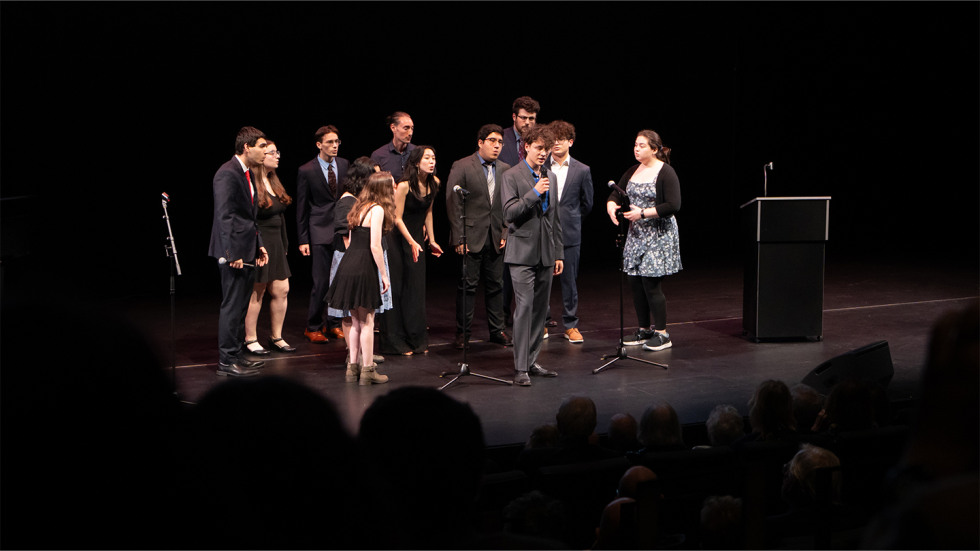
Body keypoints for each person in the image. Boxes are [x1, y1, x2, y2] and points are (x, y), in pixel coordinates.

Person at [606, 129, 682, 351]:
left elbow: (673, 205)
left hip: (658, 233)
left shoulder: (665, 172)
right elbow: (617, 193)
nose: (636, 149)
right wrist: (611, 204)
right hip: (636, 234)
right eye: (635, 145)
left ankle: (662, 333)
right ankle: (643, 329)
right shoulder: (632, 170)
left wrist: (643, 213)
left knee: (650, 283)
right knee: (635, 281)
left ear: (654, 149)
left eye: (641, 146)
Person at [501, 124, 563, 386]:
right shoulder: (512, 175)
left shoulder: (551, 176)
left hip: (546, 253)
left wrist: (558, 252)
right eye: (538, 148)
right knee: (524, 308)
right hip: (521, 253)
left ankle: (531, 361)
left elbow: (554, 218)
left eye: (546, 150)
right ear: (526, 146)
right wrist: (533, 193)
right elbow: (509, 213)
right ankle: (520, 368)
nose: (543, 154)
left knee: (540, 311)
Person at [207, 126, 269, 377]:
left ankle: (236, 353)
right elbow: (225, 216)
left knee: (242, 305)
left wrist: (259, 243)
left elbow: (248, 218)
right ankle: (226, 360)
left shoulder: (248, 173)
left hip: (247, 248)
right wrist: (232, 252)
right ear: (247, 147)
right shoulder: (227, 173)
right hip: (233, 252)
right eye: (262, 146)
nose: (266, 151)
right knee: (232, 306)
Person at [446, 124, 513, 350]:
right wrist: (459, 237)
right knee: (468, 286)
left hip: (496, 236)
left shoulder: (505, 168)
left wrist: (505, 231)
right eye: (492, 141)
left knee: (496, 285)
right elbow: (453, 203)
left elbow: (508, 203)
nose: (497, 146)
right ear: (480, 142)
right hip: (470, 236)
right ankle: (463, 333)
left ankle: (497, 330)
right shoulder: (463, 166)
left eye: (500, 142)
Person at [324, 172, 394, 385]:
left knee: (355, 320)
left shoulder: (359, 207)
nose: (394, 189)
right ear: (383, 189)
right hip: (364, 266)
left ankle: (352, 368)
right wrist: (383, 274)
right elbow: (374, 245)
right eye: (391, 186)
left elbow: (352, 240)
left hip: (348, 264)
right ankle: (367, 370)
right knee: (367, 321)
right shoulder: (378, 209)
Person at [379, 145, 444, 355]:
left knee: (415, 288)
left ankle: (416, 339)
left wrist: (432, 240)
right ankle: (394, 342)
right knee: (397, 288)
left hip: (415, 237)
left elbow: (429, 212)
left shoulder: (435, 182)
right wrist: (411, 241)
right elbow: (396, 217)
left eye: (434, 158)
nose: (432, 161)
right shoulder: (405, 186)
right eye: (427, 158)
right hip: (397, 238)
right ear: (417, 162)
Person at [243, 140, 296, 355]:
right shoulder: (252, 183)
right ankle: (250, 338)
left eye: (277, 151)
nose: (277, 156)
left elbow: (280, 215)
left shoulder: (273, 181)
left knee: (282, 289)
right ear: (262, 156)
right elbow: (249, 219)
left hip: (276, 241)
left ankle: (276, 336)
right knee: (258, 290)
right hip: (260, 241)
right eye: (272, 152)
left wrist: (284, 243)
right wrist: (257, 245)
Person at [297, 125, 348, 344]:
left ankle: (334, 323)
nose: (335, 146)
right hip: (319, 230)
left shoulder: (344, 164)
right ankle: (313, 325)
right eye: (330, 142)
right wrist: (303, 239)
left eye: (337, 141)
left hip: (341, 229)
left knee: (339, 280)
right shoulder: (307, 170)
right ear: (319, 144)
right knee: (321, 282)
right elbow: (301, 207)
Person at [546, 120, 594, 344]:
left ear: (570, 142)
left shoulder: (582, 170)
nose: (556, 143)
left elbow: (587, 203)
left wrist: (571, 219)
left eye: (561, 139)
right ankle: (543, 322)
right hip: (543, 232)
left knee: (569, 281)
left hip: (570, 233)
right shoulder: (540, 166)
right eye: (552, 139)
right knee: (542, 280)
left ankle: (571, 324)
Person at [499, 96, 541, 328]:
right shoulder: (501, 140)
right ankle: (504, 319)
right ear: (514, 117)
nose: (528, 123)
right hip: (507, 210)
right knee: (505, 275)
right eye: (523, 118)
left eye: (532, 119)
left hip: (532, 215)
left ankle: (537, 318)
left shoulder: (539, 141)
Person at [370, 111, 416, 182]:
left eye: (412, 128)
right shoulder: (378, 155)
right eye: (406, 128)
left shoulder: (417, 152)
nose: (410, 133)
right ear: (393, 128)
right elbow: (375, 185)